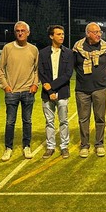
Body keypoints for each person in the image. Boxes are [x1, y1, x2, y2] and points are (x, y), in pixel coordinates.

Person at [0, 21, 39, 161]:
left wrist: (35, 85)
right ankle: (8, 148)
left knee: (27, 121)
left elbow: (37, 70)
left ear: (28, 32)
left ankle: (26, 146)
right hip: (12, 92)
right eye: (17, 30)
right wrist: (6, 86)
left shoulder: (33, 49)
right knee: (10, 122)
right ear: (15, 32)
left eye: (23, 30)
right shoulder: (7, 48)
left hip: (28, 91)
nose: (20, 33)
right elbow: (0, 69)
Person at [73, 22, 106, 158]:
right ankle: (84, 145)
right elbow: (74, 65)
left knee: (100, 118)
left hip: (100, 88)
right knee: (83, 119)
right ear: (88, 34)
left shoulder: (105, 48)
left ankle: (99, 144)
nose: (98, 34)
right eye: (95, 32)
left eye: (99, 31)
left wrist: (99, 77)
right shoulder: (78, 48)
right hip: (82, 90)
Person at [38, 25, 74, 159]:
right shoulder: (43, 53)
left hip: (62, 92)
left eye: (63, 34)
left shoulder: (69, 53)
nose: (62, 36)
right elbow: (41, 72)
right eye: (58, 34)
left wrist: (51, 87)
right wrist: (49, 91)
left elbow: (68, 74)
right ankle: (50, 147)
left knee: (64, 121)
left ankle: (64, 146)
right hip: (47, 94)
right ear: (51, 36)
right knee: (49, 121)